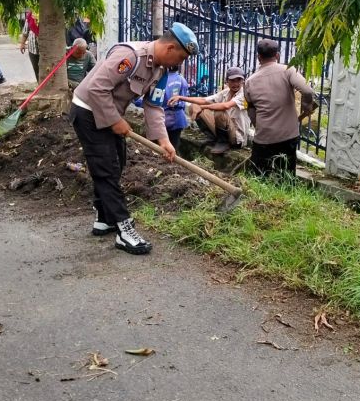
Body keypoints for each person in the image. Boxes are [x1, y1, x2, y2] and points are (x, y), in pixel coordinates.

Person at [69, 22, 198, 255]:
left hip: (109, 113)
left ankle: (105, 217)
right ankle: (124, 230)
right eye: (180, 58)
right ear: (170, 48)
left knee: (117, 162)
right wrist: (116, 121)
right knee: (106, 169)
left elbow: (154, 105)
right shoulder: (130, 56)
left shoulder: (159, 71)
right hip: (87, 110)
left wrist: (164, 140)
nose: (180, 64)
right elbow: (97, 88)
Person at [244, 38, 315, 178]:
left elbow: (251, 110)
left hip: (264, 138)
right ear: (277, 55)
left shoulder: (249, 82)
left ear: (259, 57)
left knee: (260, 177)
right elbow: (307, 91)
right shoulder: (288, 71)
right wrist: (307, 106)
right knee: (286, 176)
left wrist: (260, 126)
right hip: (287, 136)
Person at [170, 66, 249, 154]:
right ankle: (214, 138)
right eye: (232, 80)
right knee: (193, 106)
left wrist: (203, 107)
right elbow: (204, 100)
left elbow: (225, 106)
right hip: (224, 131)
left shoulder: (244, 94)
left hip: (237, 138)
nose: (236, 84)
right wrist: (181, 98)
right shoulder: (226, 92)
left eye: (239, 80)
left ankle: (223, 143)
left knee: (219, 112)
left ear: (243, 81)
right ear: (227, 81)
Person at [135, 65, 189, 152]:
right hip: (178, 119)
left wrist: (135, 100)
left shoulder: (161, 80)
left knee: (158, 150)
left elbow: (152, 103)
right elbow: (183, 98)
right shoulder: (182, 79)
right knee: (173, 147)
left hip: (162, 120)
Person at [19, 9, 39, 81]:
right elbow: (25, 32)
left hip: (45, 49)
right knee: (36, 69)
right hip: (32, 49)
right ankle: (40, 85)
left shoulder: (47, 14)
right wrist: (22, 44)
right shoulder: (30, 16)